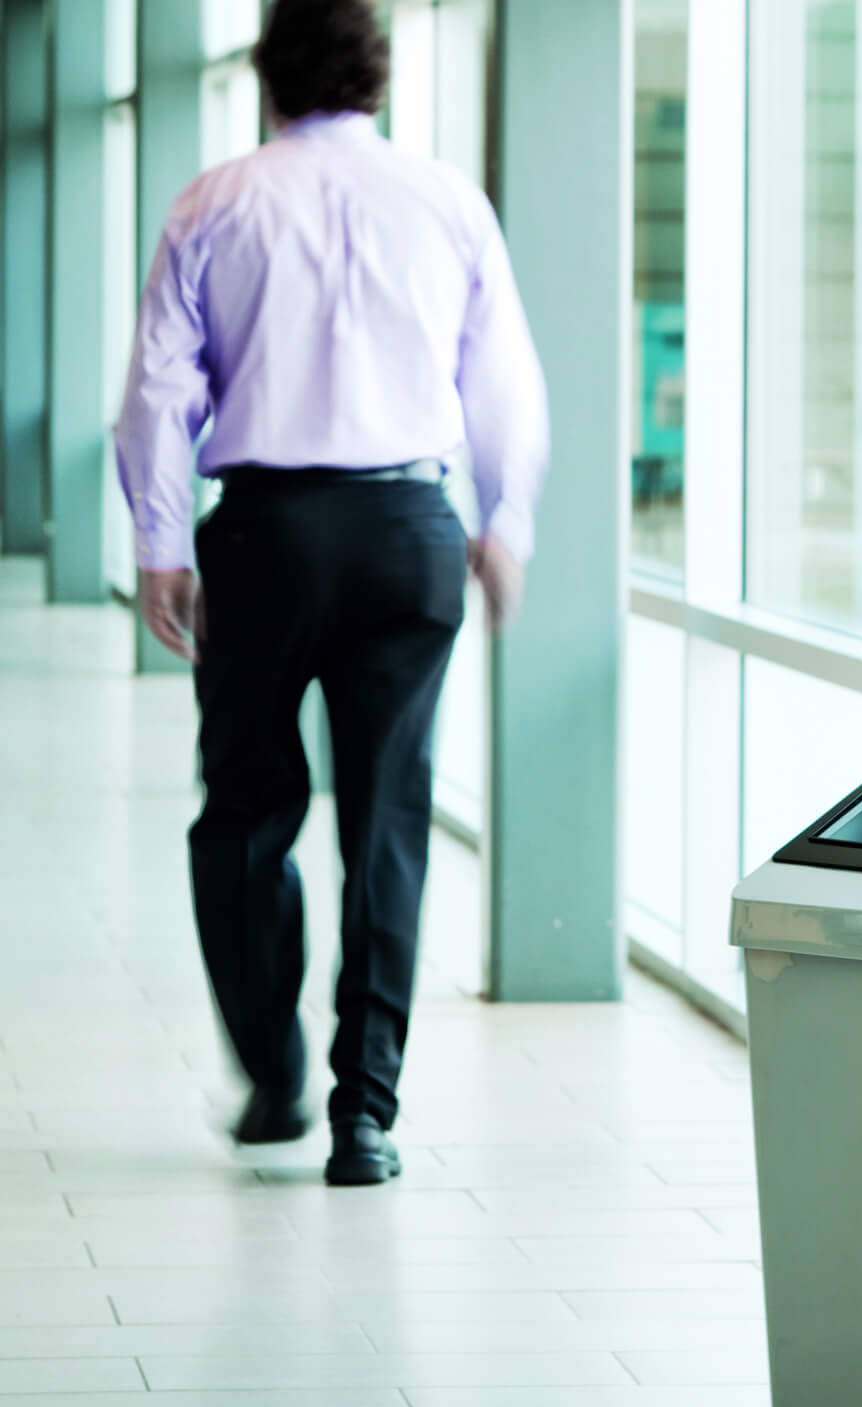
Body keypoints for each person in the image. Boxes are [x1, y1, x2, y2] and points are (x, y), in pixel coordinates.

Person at [114, 0, 549, 1186]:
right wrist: (502, 522)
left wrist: (162, 542)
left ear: (266, 79)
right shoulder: (448, 200)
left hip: (264, 534)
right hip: (410, 529)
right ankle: (367, 1114)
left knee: (246, 811)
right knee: (388, 817)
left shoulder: (211, 201)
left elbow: (161, 389)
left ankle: (275, 1076)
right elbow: (501, 378)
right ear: (380, 76)